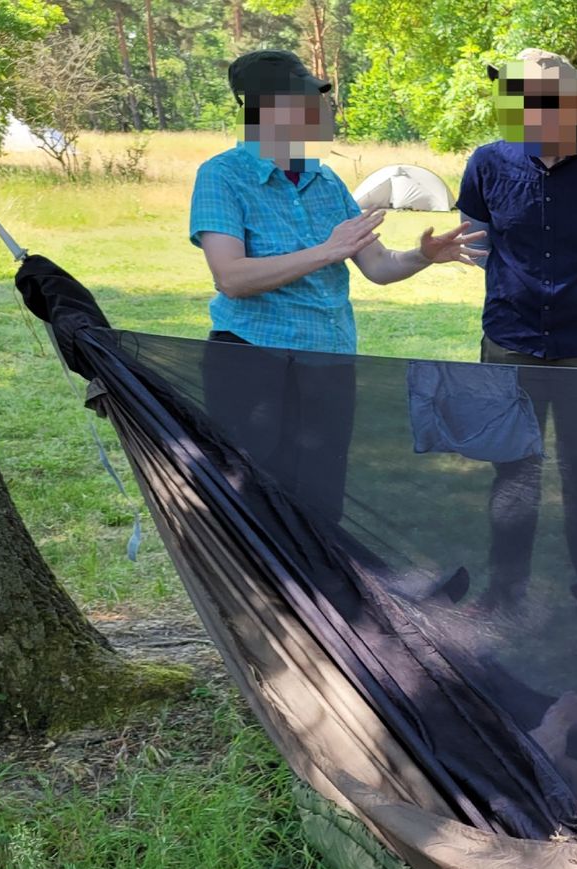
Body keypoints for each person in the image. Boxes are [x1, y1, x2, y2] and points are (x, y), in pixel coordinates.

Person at [189, 50, 481, 527]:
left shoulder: (325, 181)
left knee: (322, 497)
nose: (326, 110)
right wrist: (326, 251)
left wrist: (423, 256)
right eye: (312, 100)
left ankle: (320, 577)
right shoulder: (222, 175)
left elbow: (378, 266)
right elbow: (232, 278)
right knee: (255, 498)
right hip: (252, 363)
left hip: (328, 362)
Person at [456, 49, 577, 616]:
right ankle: (505, 587)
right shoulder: (486, 164)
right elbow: (475, 245)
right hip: (509, 344)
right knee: (514, 470)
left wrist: (573, 304)